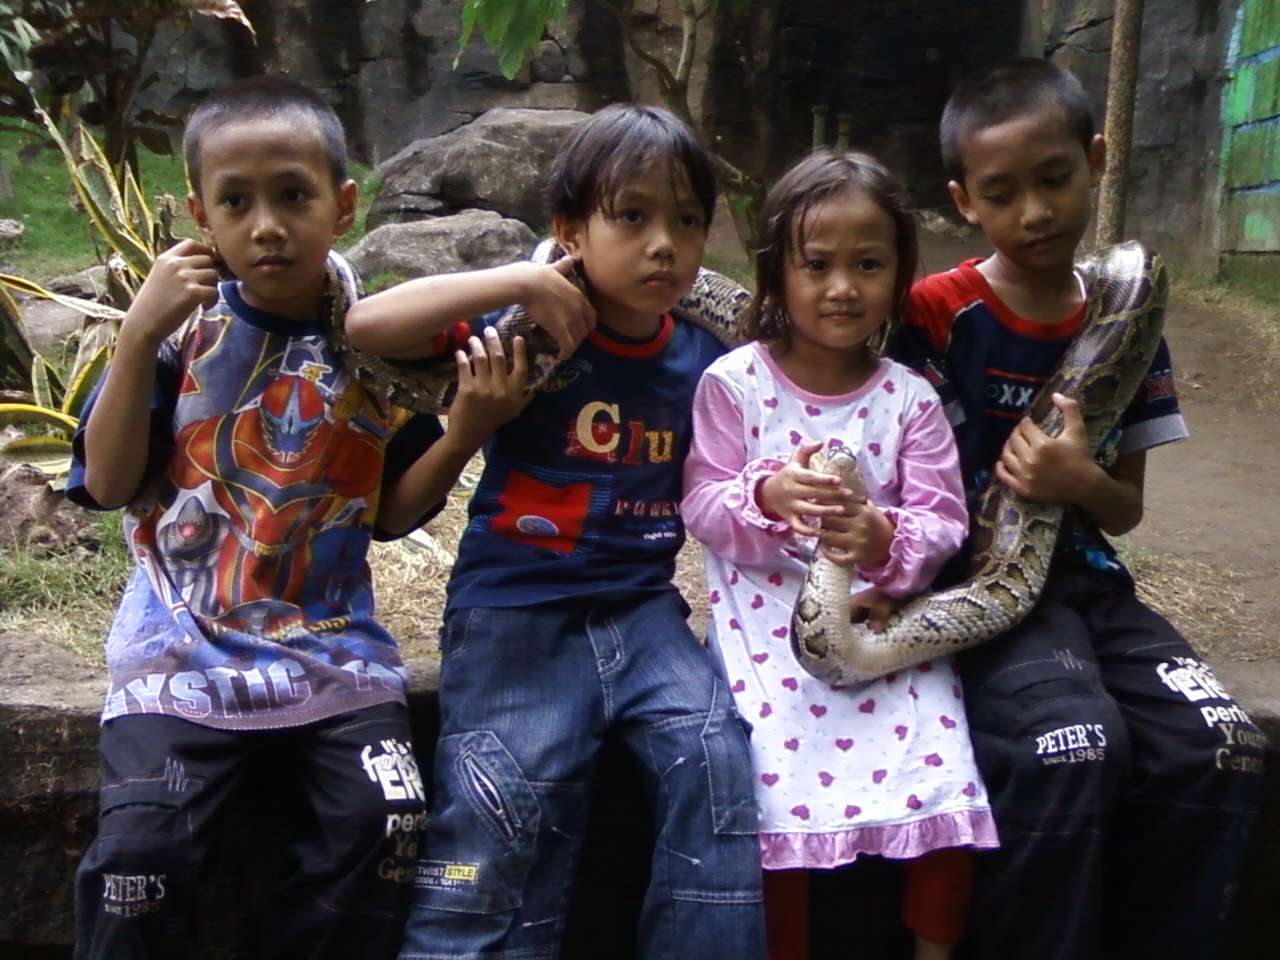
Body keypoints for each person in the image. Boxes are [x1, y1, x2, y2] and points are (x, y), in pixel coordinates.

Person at [66, 75, 529, 960]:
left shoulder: (379, 338)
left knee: (389, 822)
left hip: (331, 651)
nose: (267, 226)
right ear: (201, 215)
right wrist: (136, 335)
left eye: (293, 196)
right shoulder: (180, 332)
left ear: (343, 205)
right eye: (236, 203)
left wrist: (467, 430)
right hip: (181, 648)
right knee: (139, 860)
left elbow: (389, 513)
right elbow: (111, 482)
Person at [343, 103, 767, 960]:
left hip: (642, 613)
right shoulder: (526, 335)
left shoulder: (710, 358)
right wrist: (518, 282)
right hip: (516, 610)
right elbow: (366, 327)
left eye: (688, 222)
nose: (664, 246)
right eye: (632, 217)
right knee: (498, 812)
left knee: (719, 759)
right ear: (570, 231)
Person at [890, 57, 1268, 960]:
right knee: (1074, 744)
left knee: (1226, 747)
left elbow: (1124, 510)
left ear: (1096, 161)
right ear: (964, 202)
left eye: (1055, 179)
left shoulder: (1130, 318)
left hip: (1092, 583)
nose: (1035, 212)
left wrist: (1074, 480)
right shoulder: (935, 314)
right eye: (1002, 193)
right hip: (980, 594)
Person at [682, 149, 998, 960]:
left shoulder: (910, 399)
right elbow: (703, 506)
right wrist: (765, 495)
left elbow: (944, 522)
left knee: (942, 765)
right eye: (816, 265)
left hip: (883, 631)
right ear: (775, 273)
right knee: (769, 786)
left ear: (898, 276)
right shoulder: (733, 384)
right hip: (767, 634)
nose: (842, 288)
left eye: (868, 264)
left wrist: (886, 541)